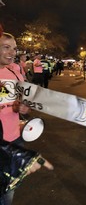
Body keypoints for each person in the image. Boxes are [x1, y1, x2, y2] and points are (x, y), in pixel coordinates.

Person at [0, 28, 53, 205]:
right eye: (6, 47)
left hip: (14, 138)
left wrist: (23, 107)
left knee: (9, 190)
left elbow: (25, 102)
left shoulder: (16, 71)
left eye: (14, 49)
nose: (11, 53)